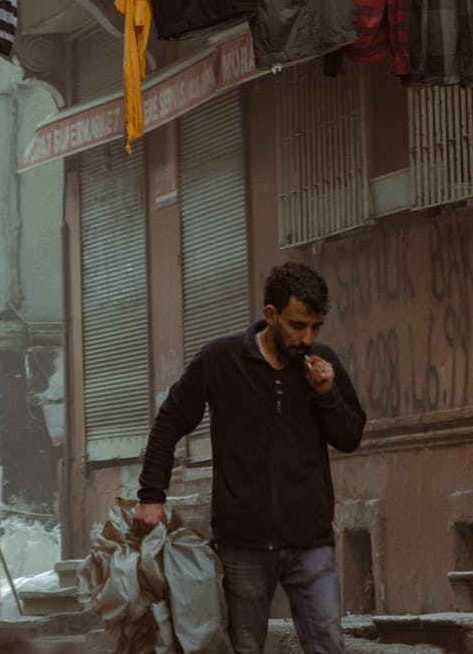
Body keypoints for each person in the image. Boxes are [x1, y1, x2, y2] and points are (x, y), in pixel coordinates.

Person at [132, 260, 366, 654]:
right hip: (243, 543)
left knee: (328, 643)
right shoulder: (220, 360)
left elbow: (349, 436)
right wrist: (151, 495)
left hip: (310, 540)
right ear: (270, 315)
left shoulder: (321, 364)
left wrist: (326, 395)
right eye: (297, 325)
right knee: (244, 648)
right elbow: (170, 421)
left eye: (316, 327)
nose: (308, 337)